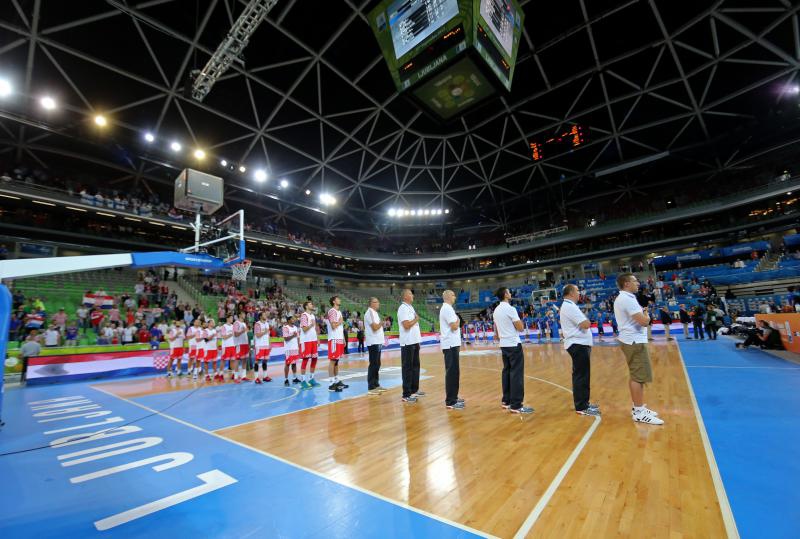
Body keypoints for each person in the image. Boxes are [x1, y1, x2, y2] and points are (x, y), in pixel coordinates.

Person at [614, 273, 663, 425]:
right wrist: (647, 315)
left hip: (631, 340)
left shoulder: (624, 298)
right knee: (638, 376)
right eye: (635, 281)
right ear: (627, 283)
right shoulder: (627, 299)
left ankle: (638, 408)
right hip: (634, 341)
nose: (638, 283)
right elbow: (643, 322)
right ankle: (639, 412)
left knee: (636, 375)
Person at [559, 284, 600, 416]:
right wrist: (586, 320)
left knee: (582, 375)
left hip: (578, 344)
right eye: (577, 291)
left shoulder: (568, 306)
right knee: (581, 376)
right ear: (571, 293)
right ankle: (582, 406)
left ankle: (584, 404)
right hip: (578, 344)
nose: (579, 293)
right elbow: (586, 324)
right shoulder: (569, 307)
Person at [493, 287, 533, 414]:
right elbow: (520, 328)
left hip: (503, 344)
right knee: (516, 374)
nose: (510, 293)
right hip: (513, 344)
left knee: (507, 372)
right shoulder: (510, 309)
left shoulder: (496, 310)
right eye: (509, 292)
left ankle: (507, 401)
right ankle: (516, 405)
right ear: (505, 295)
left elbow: (496, 331)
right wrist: (521, 319)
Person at [439, 290, 464, 410]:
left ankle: (454, 397)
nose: (455, 297)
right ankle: (451, 401)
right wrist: (458, 320)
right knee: (451, 373)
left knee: (454, 373)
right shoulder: (447, 309)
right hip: (450, 345)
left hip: (451, 344)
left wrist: (457, 321)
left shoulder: (447, 308)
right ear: (448, 296)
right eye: (453, 295)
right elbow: (454, 326)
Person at [398, 289, 423, 403]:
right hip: (407, 343)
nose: (412, 295)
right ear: (405, 297)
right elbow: (407, 325)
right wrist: (416, 319)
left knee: (415, 367)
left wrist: (418, 341)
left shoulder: (410, 308)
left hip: (414, 342)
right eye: (410, 294)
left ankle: (414, 390)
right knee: (407, 368)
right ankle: (406, 394)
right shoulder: (402, 308)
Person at [325, 296, 348, 392]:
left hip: (338, 338)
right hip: (334, 339)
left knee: (337, 361)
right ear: (334, 301)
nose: (340, 300)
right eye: (338, 299)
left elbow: (340, 327)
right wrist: (340, 321)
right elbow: (334, 326)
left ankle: (337, 380)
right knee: (333, 360)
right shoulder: (332, 311)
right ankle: (331, 384)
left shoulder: (338, 312)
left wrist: (343, 339)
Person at [364, 297, 386, 395]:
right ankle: (371, 387)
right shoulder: (369, 313)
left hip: (378, 341)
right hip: (373, 342)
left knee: (377, 363)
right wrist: (381, 323)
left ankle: (376, 384)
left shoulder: (375, 313)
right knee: (373, 364)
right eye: (376, 302)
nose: (378, 303)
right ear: (371, 303)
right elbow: (375, 327)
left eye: (378, 301)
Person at [299, 301, 319, 387]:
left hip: (313, 340)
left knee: (314, 358)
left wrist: (317, 338)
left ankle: (311, 379)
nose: (312, 305)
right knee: (305, 359)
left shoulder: (312, 315)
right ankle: (303, 381)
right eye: (310, 304)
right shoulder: (304, 315)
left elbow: (314, 328)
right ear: (306, 306)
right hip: (306, 340)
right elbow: (304, 329)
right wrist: (311, 324)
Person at [253, 311, 272, 384]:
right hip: (259, 345)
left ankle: (265, 376)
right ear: (260, 316)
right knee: (257, 361)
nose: (265, 315)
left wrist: (269, 344)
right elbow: (257, 335)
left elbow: (268, 335)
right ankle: (256, 378)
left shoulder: (267, 323)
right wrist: (265, 332)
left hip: (266, 345)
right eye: (264, 314)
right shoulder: (257, 324)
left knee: (265, 360)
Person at [282, 315, 301, 386]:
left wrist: (298, 347)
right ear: (289, 320)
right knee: (287, 364)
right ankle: (286, 379)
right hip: (288, 349)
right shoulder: (285, 328)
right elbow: (285, 338)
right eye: (292, 319)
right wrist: (293, 335)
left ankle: (294, 378)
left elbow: (298, 338)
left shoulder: (296, 328)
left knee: (294, 363)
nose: (294, 320)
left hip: (295, 348)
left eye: (294, 319)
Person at [221, 315, 239, 382]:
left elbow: (235, 336)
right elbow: (224, 337)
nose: (232, 319)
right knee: (223, 361)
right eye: (231, 318)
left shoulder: (233, 326)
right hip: (226, 346)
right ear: (227, 318)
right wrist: (231, 334)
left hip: (232, 345)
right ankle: (220, 375)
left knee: (233, 360)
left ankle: (234, 374)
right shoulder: (224, 326)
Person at [234, 313, 250, 382]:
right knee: (237, 360)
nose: (244, 315)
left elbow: (245, 334)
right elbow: (236, 334)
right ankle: (236, 377)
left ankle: (243, 376)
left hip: (245, 344)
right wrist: (243, 331)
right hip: (239, 344)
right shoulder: (236, 323)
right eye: (243, 314)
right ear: (240, 315)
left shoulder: (244, 323)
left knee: (244, 360)